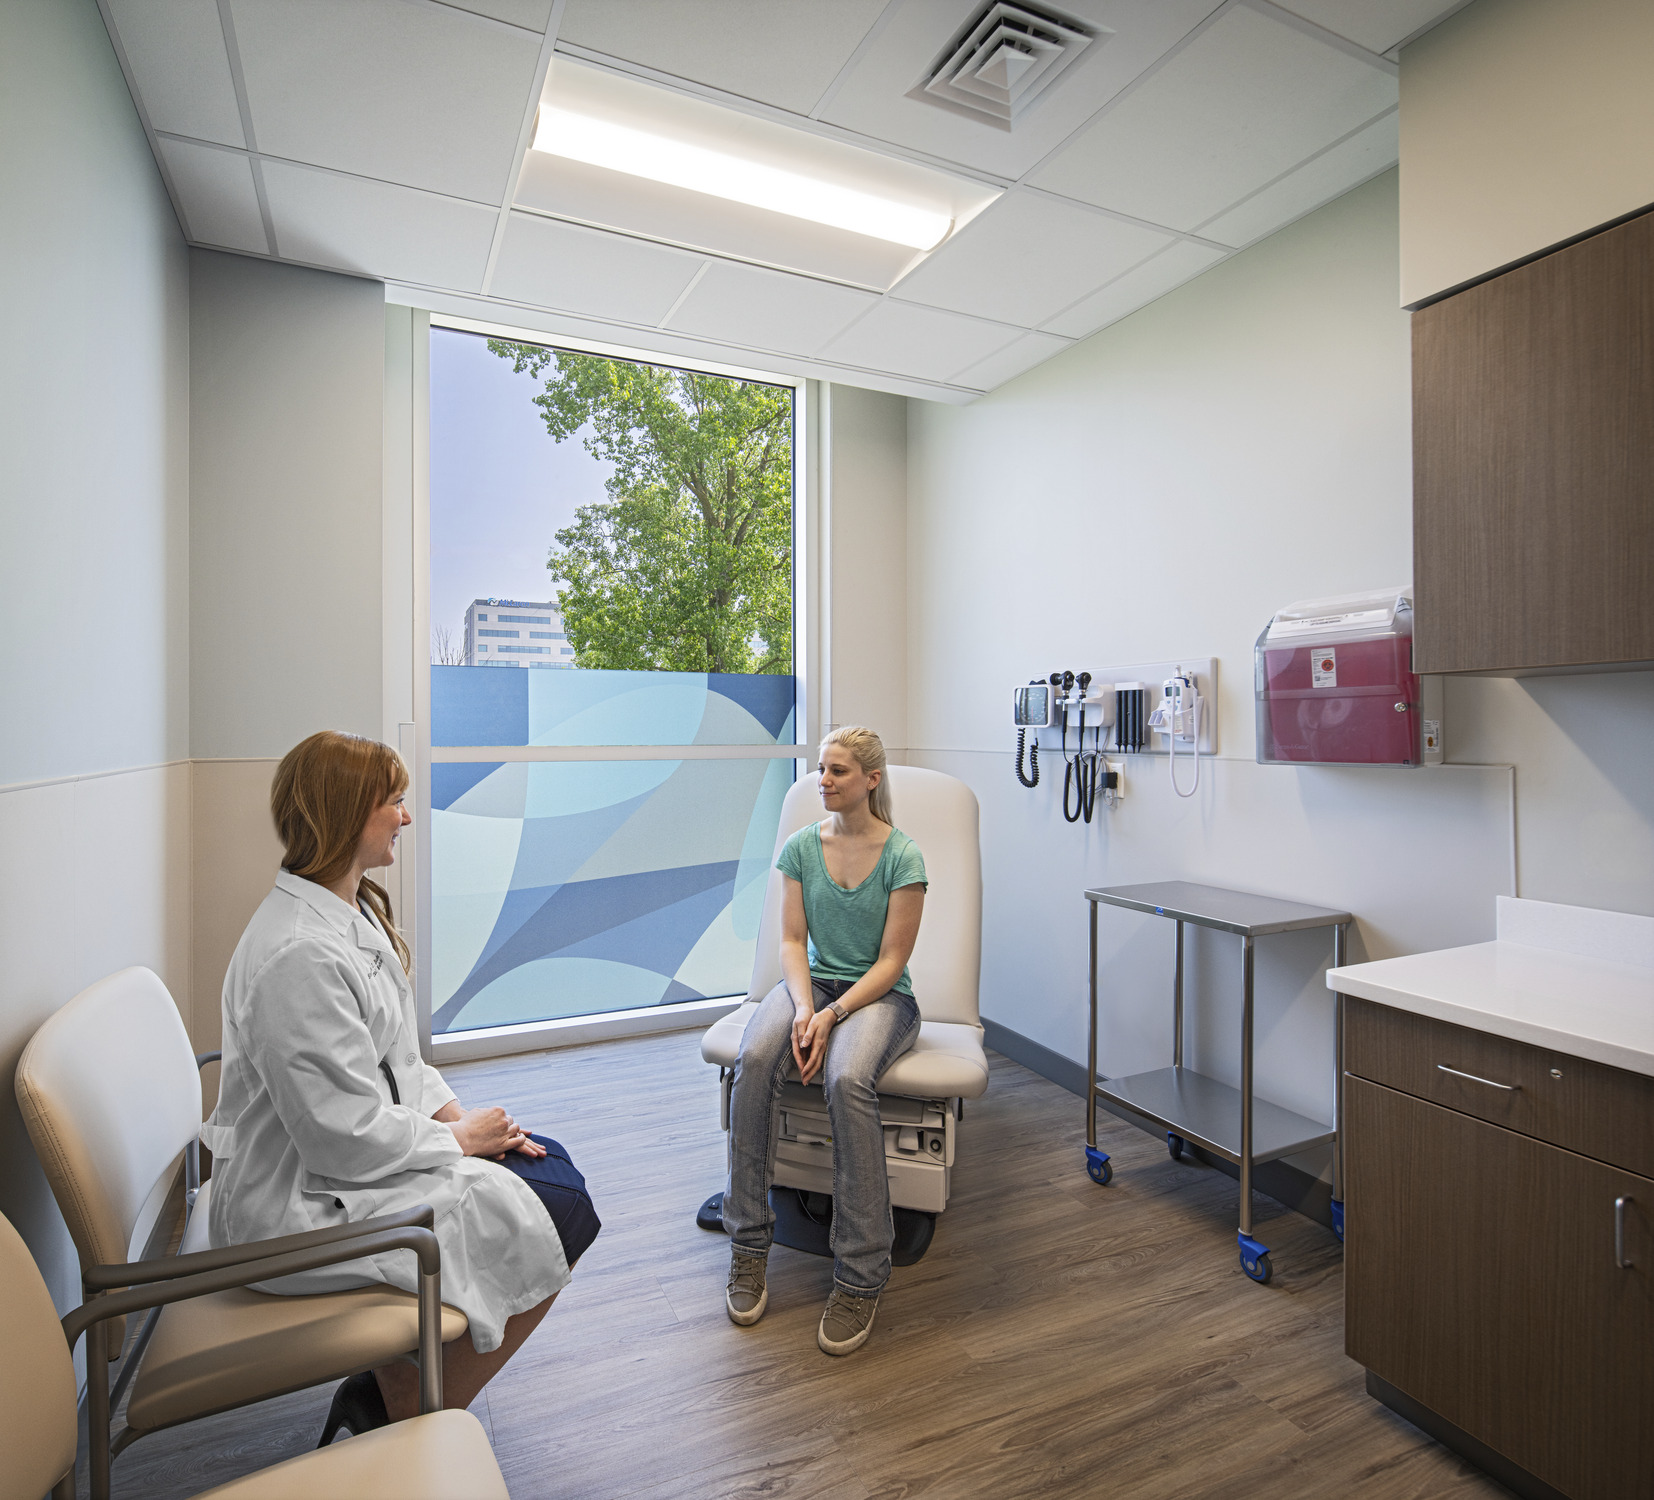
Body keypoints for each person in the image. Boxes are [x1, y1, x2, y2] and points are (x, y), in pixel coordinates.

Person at [200, 731, 598, 1444]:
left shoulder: (345, 910)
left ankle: (395, 1386)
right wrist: (458, 1140)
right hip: (295, 1204)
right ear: (349, 814)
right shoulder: (299, 952)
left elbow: (395, 1063)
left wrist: (463, 1121)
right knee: (562, 1208)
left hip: (339, 1166)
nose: (407, 819)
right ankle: (402, 1408)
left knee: (552, 1167)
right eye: (395, 803)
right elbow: (342, 1138)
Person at [721, 726, 927, 1356]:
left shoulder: (904, 857)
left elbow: (892, 962)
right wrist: (806, 1008)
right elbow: (791, 943)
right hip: (813, 985)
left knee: (845, 1077)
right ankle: (748, 1245)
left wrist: (832, 1016)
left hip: (880, 997)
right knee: (754, 1058)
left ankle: (862, 1274)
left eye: (838, 770)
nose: (823, 780)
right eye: (821, 769)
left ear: (871, 779)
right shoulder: (800, 848)